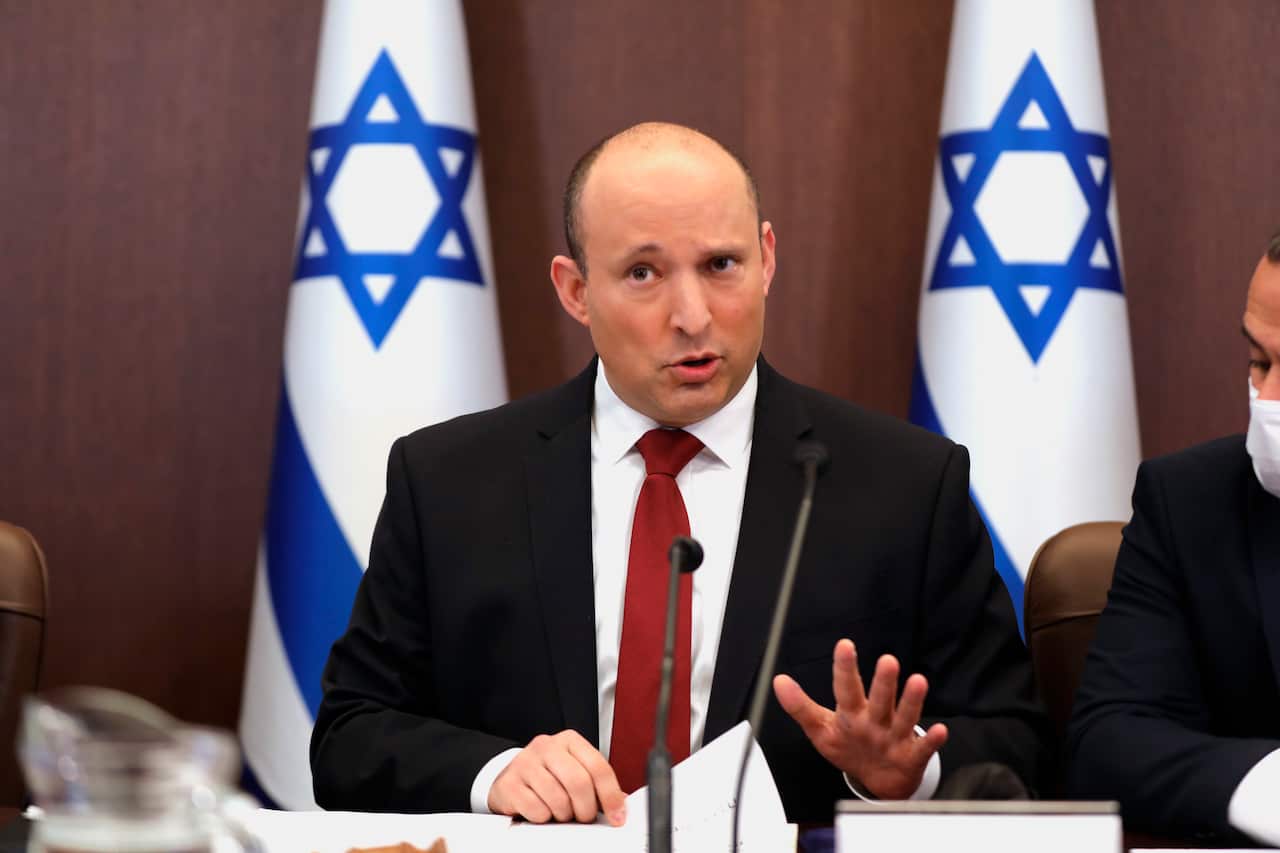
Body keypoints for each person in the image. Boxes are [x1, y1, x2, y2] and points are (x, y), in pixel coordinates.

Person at [310, 122, 1050, 824]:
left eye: (721, 265)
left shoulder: (906, 485)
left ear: (767, 258)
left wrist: (906, 772)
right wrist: (494, 771)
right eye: (643, 273)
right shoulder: (448, 481)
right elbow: (350, 734)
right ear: (575, 290)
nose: (693, 315)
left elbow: (1018, 743)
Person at [1068, 232, 1280, 844]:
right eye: (1259, 362)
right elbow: (1108, 746)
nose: (1266, 400)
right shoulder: (1189, 503)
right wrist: (1268, 788)